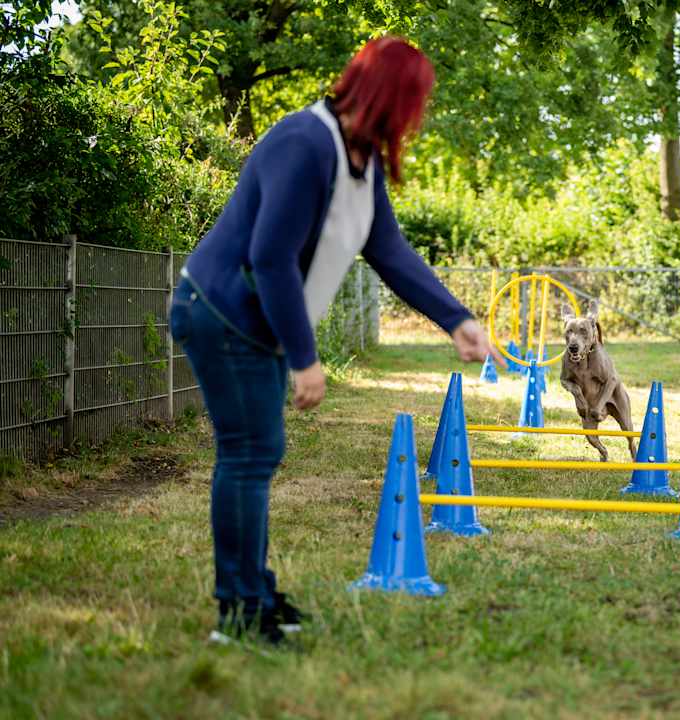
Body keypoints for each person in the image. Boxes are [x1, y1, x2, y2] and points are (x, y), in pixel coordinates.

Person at [168, 37, 502, 645]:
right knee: (249, 455)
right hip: (220, 311)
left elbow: (389, 250)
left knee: (257, 456)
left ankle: (256, 594)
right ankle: (238, 613)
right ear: (388, 99)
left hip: (255, 323)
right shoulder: (304, 144)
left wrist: (456, 318)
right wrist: (306, 360)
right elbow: (268, 260)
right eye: (415, 103)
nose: (417, 118)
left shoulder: (361, 160)